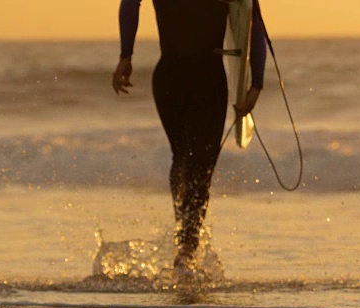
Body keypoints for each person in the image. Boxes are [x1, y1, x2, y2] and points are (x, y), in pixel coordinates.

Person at [112, 0, 266, 278]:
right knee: (198, 163)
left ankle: (184, 240)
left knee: (185, 158)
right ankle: (187, 246)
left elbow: (130, 4)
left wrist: (126, 54)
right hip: (204, 81)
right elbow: (253, 21)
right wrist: (256, 82)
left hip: (171, 78)